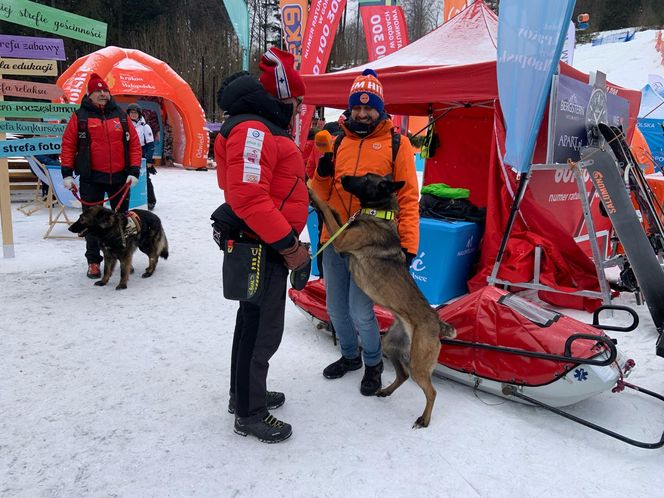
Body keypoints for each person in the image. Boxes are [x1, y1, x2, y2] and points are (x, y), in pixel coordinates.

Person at [213, 48, 309, 443]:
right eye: (297, 101)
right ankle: (251, 412)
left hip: (263, 240)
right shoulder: (255, 129)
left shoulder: (263, 127)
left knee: (251, 323)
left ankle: (245, 395)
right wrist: (289, 246)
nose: (301, 109)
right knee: (261, 329)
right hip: (263, 244)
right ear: (282, 96)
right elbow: (249, 197)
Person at [309, 68, 420, 396]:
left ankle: (373, 363)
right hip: (336, 238)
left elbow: (409, 199)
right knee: (335, 308)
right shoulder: (337, 138)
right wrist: (322, 171)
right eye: (356, 106)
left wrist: (409, 246)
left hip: (372, 246)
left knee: (360, 310)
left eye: (368, 106)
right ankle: (349, 355)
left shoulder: (396, 143)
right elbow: (321, 194)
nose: (361, 112)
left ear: (379, 108)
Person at [60, 73, 142, 279]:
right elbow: (68, 146)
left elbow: (134, 145)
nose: (103, 94)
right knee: (91, 223)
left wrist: (134, 171)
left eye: (106, 90)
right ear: (90, 94)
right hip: (91, 178)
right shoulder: (79, 117)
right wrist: (67, 173)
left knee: (122, 222)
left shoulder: (121, 116)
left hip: (119, 179)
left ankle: (123, 257)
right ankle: (93, 262)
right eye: (99, 91)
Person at [127, 103, 157, 210]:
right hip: (129, 154)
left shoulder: (145, 127)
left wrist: (149, 160)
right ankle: (129, 200)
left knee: (145, 179)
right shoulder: (126, 125)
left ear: (139, 114)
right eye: (131, 112)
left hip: (142, 155)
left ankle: (150, 200)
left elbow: (150, 145)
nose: (133, 115)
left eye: (135, 113)